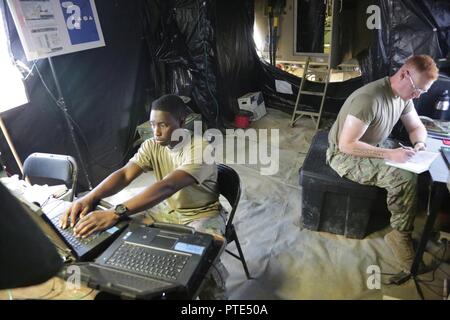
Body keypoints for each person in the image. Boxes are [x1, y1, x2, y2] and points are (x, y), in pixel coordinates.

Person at [60, 94, 228, 299]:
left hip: (201, 213)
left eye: (163, 125)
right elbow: (124, 174)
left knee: (203, 263)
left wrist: (117, 211)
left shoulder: (201, 147)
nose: (156, 132)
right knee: (121, 234)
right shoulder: (152, 145)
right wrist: (89, 197)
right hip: (168, 209)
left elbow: (168, 185)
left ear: (182, 122)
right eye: (152, 124)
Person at [327, 55, 439, 273]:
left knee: (408, 155)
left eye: (422, 92)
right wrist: (389, 154)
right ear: (405, 74)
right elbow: (346, 145)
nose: (417, 96)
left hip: (372, 144)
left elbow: (416, 128)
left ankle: (403, 214)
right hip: (344, 155)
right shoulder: (369, 98)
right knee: (404, 178)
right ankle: (399, 236)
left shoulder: (403, 97)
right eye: (417, 90)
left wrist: (420, 145)